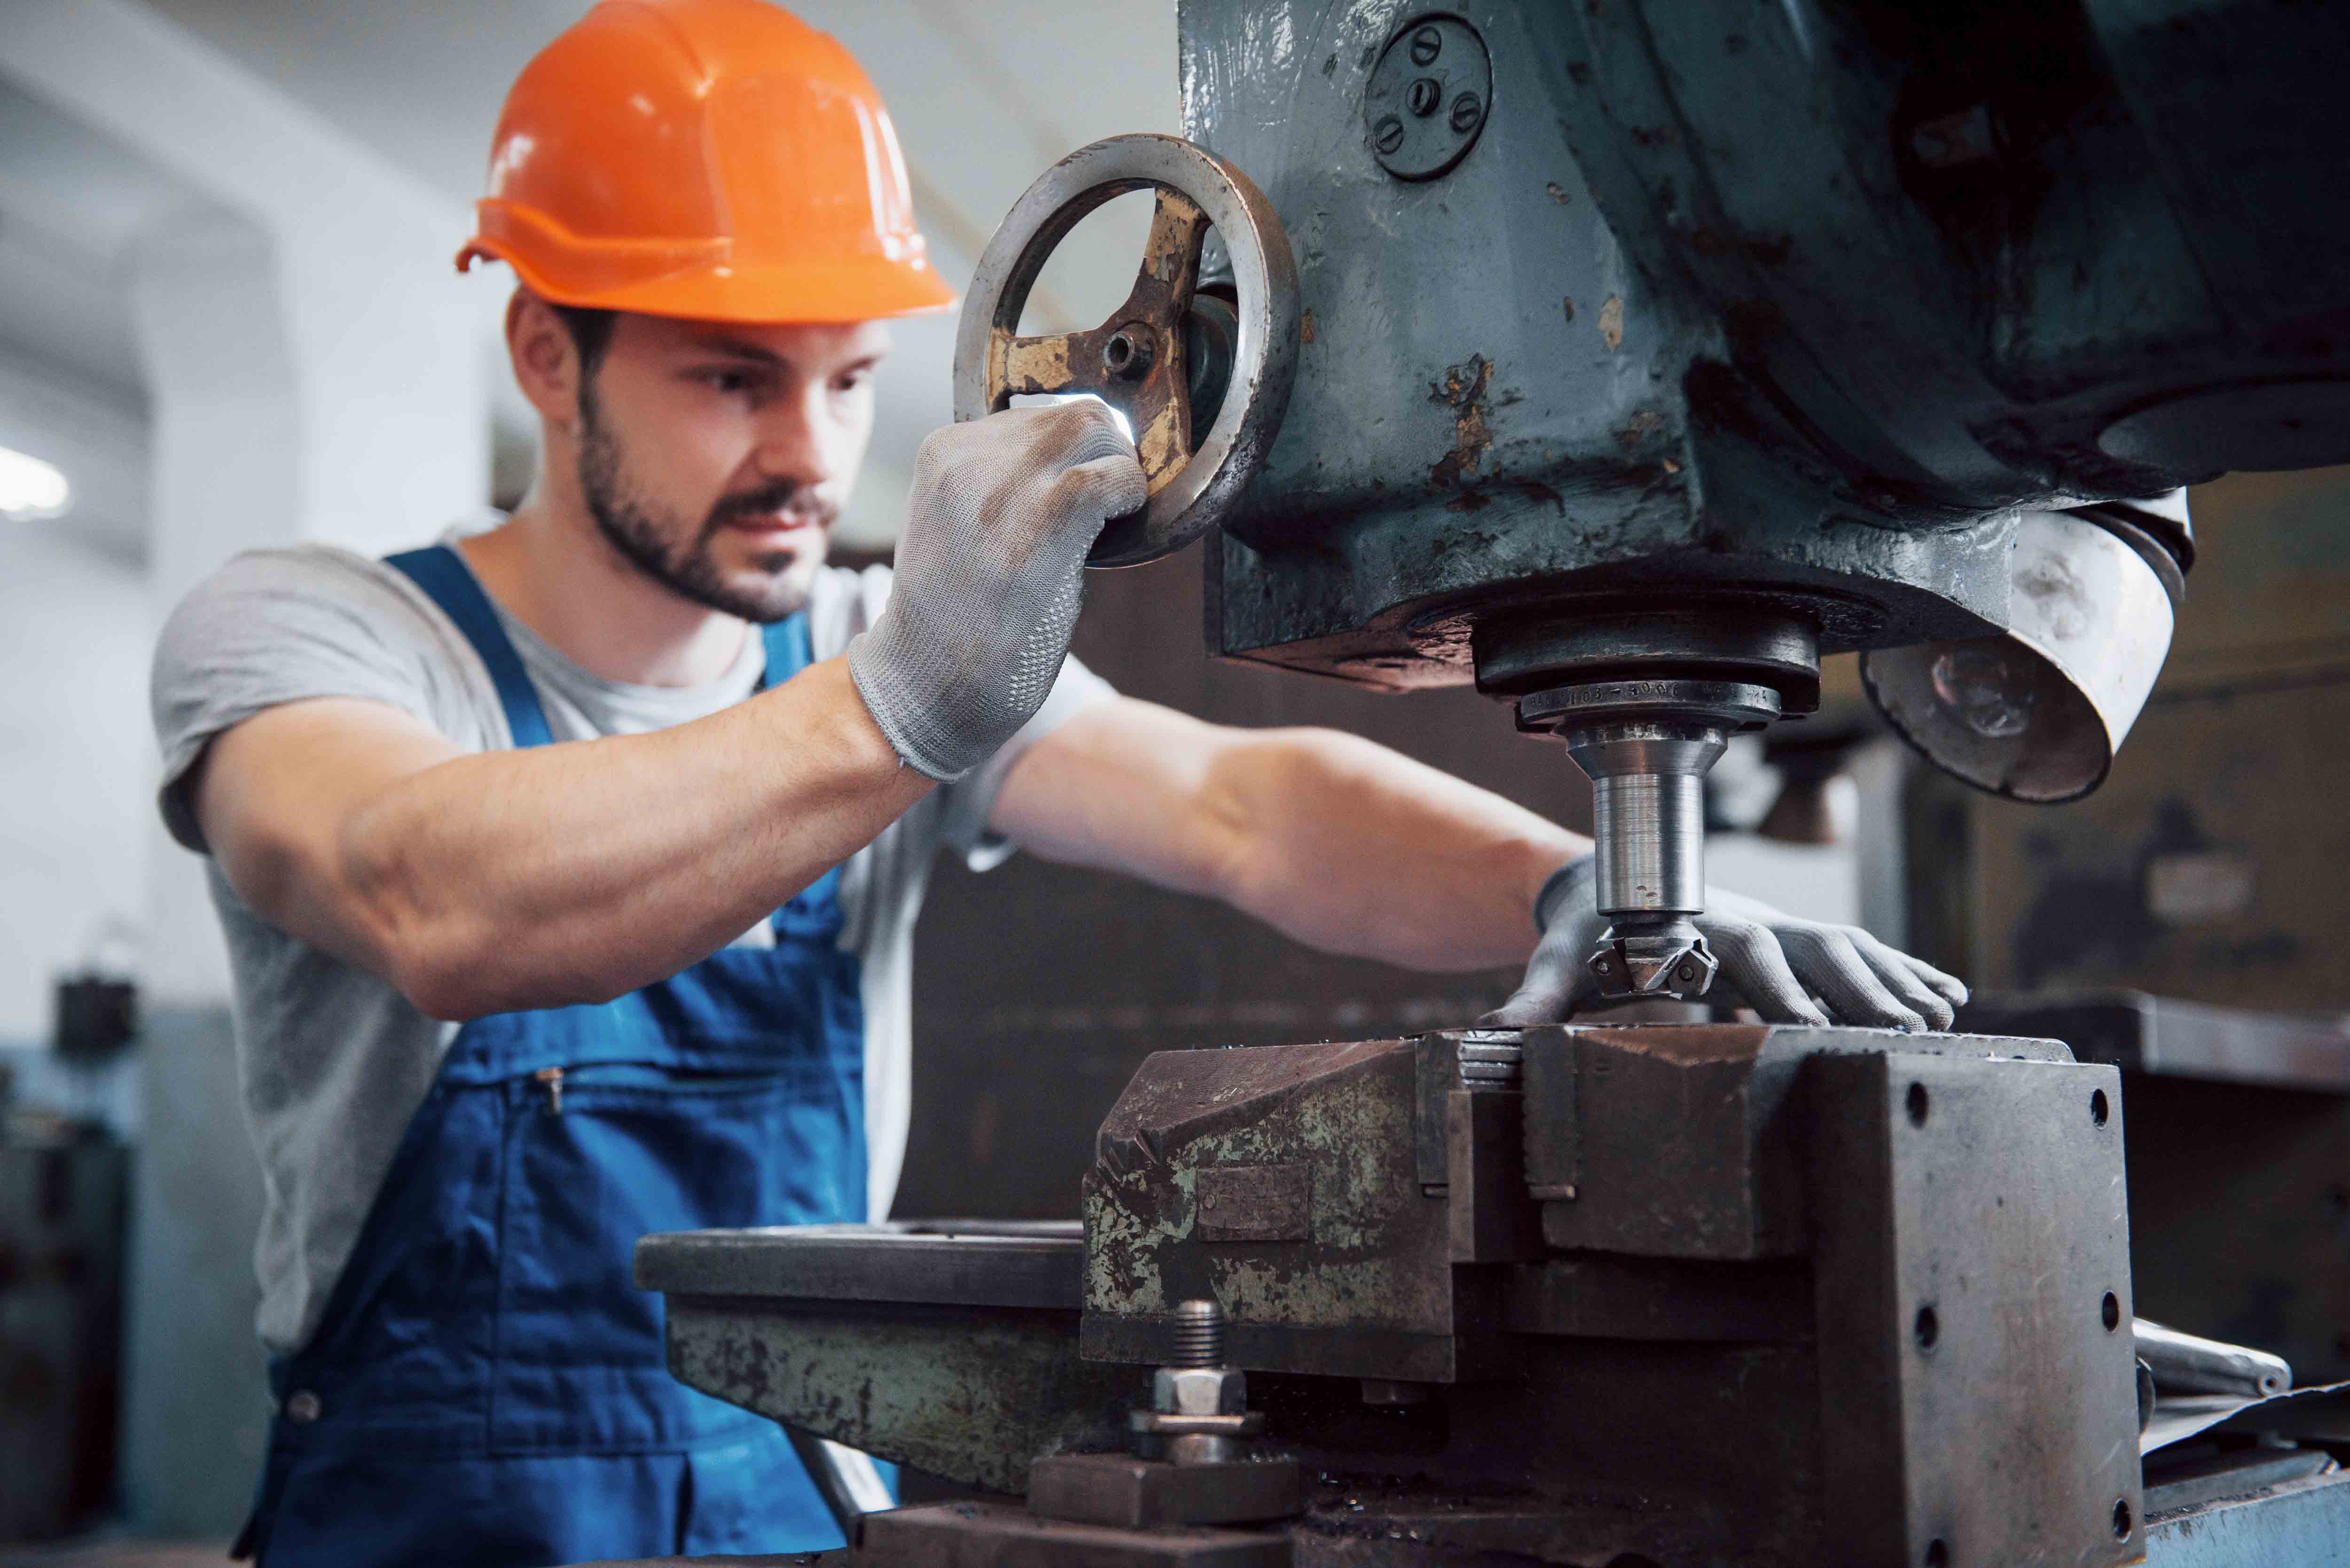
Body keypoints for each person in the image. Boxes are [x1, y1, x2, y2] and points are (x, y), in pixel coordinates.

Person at [148, 2, 1966, 1562]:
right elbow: (429, 895)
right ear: (550, 355)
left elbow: (1243, 808)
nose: (809, 454)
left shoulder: (861, 648)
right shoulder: (313, 637)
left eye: (850, 381)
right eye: (729, 378)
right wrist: (904, 704)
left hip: (798, 1505)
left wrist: (1568, 881)